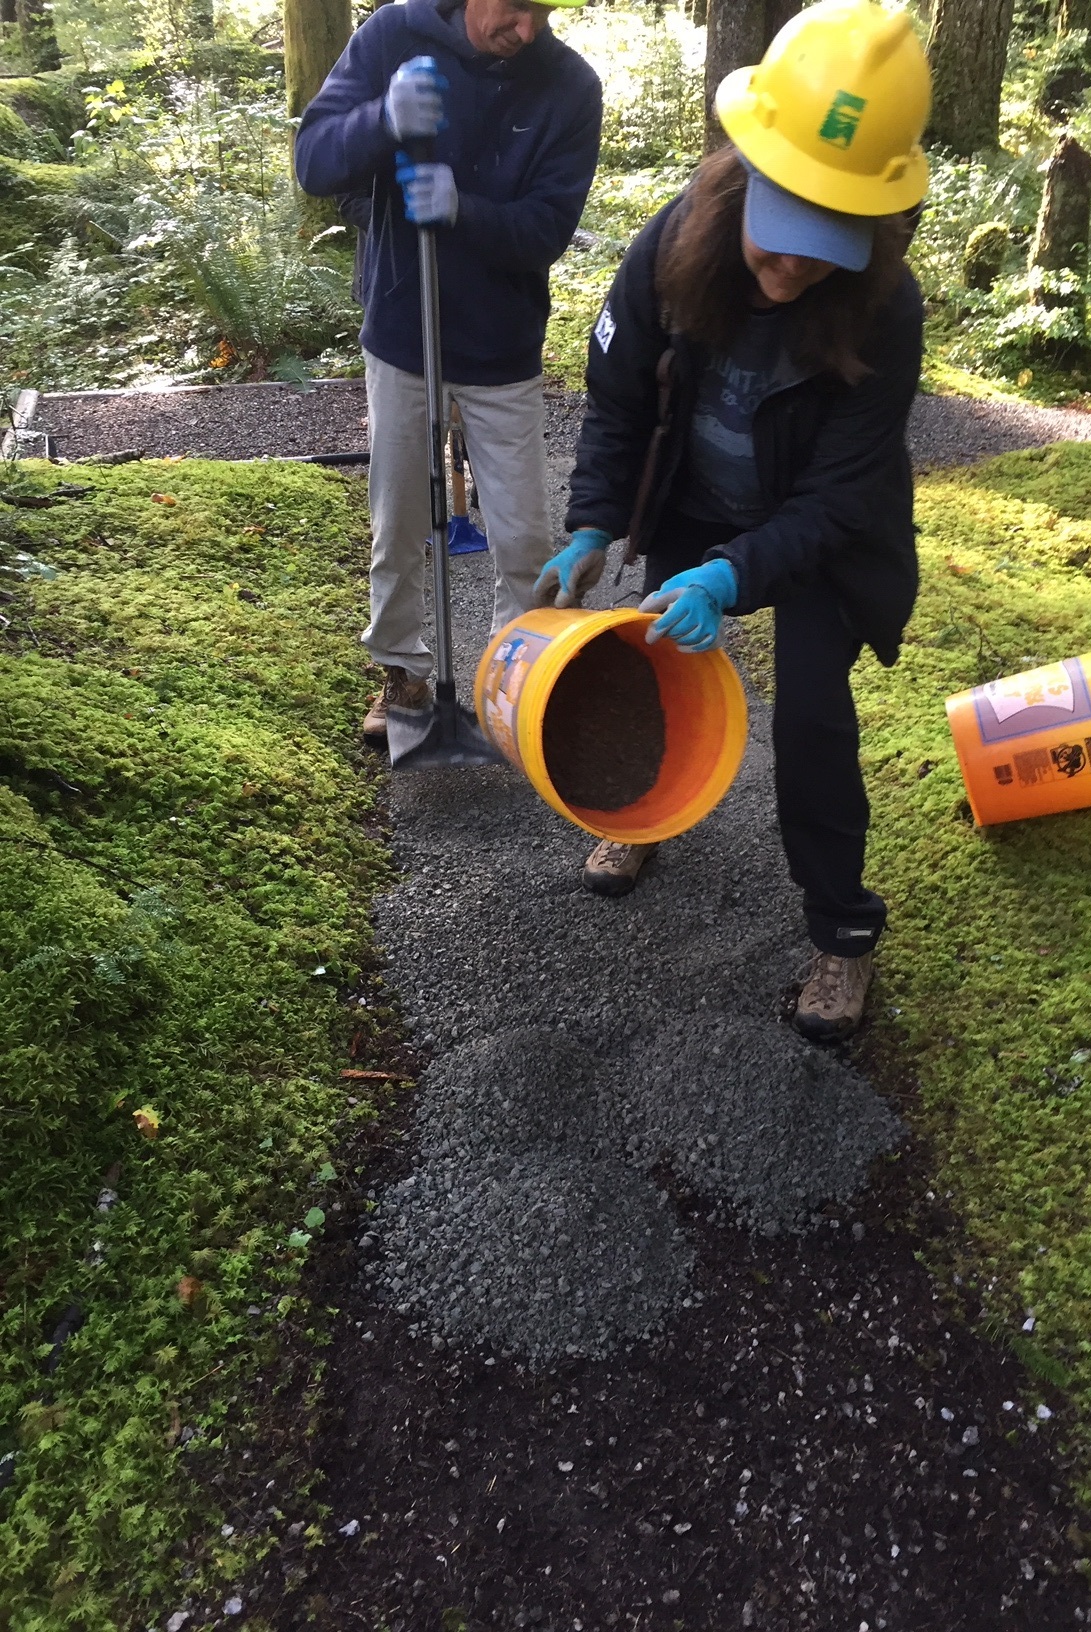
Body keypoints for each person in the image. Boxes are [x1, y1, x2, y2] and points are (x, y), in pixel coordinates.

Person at [533, 0, 930, 1042]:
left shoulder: (887, 310)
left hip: (816, 539)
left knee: (811, 722)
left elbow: (841, 498)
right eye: (781, 236)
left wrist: (732, 576)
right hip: (695, 499)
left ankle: (842, 933)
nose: (792, 268)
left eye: (823, 248)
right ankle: (640, 814)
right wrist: (592, 525)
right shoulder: (672, 245)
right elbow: (618, 404)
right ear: (744, 173)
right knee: (647, 661)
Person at [295, 0, 602, 745]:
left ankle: (514, 681)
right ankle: (401, 669)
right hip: (404, 330)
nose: (527, 29)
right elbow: (315, 162)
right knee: (397, 520)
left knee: (524, 538)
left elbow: (548, 228)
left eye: (543, 12)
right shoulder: (393, 35)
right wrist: (383, 119)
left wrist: (465, 209)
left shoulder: (569, 85)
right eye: (516, 7)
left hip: (501, 344)